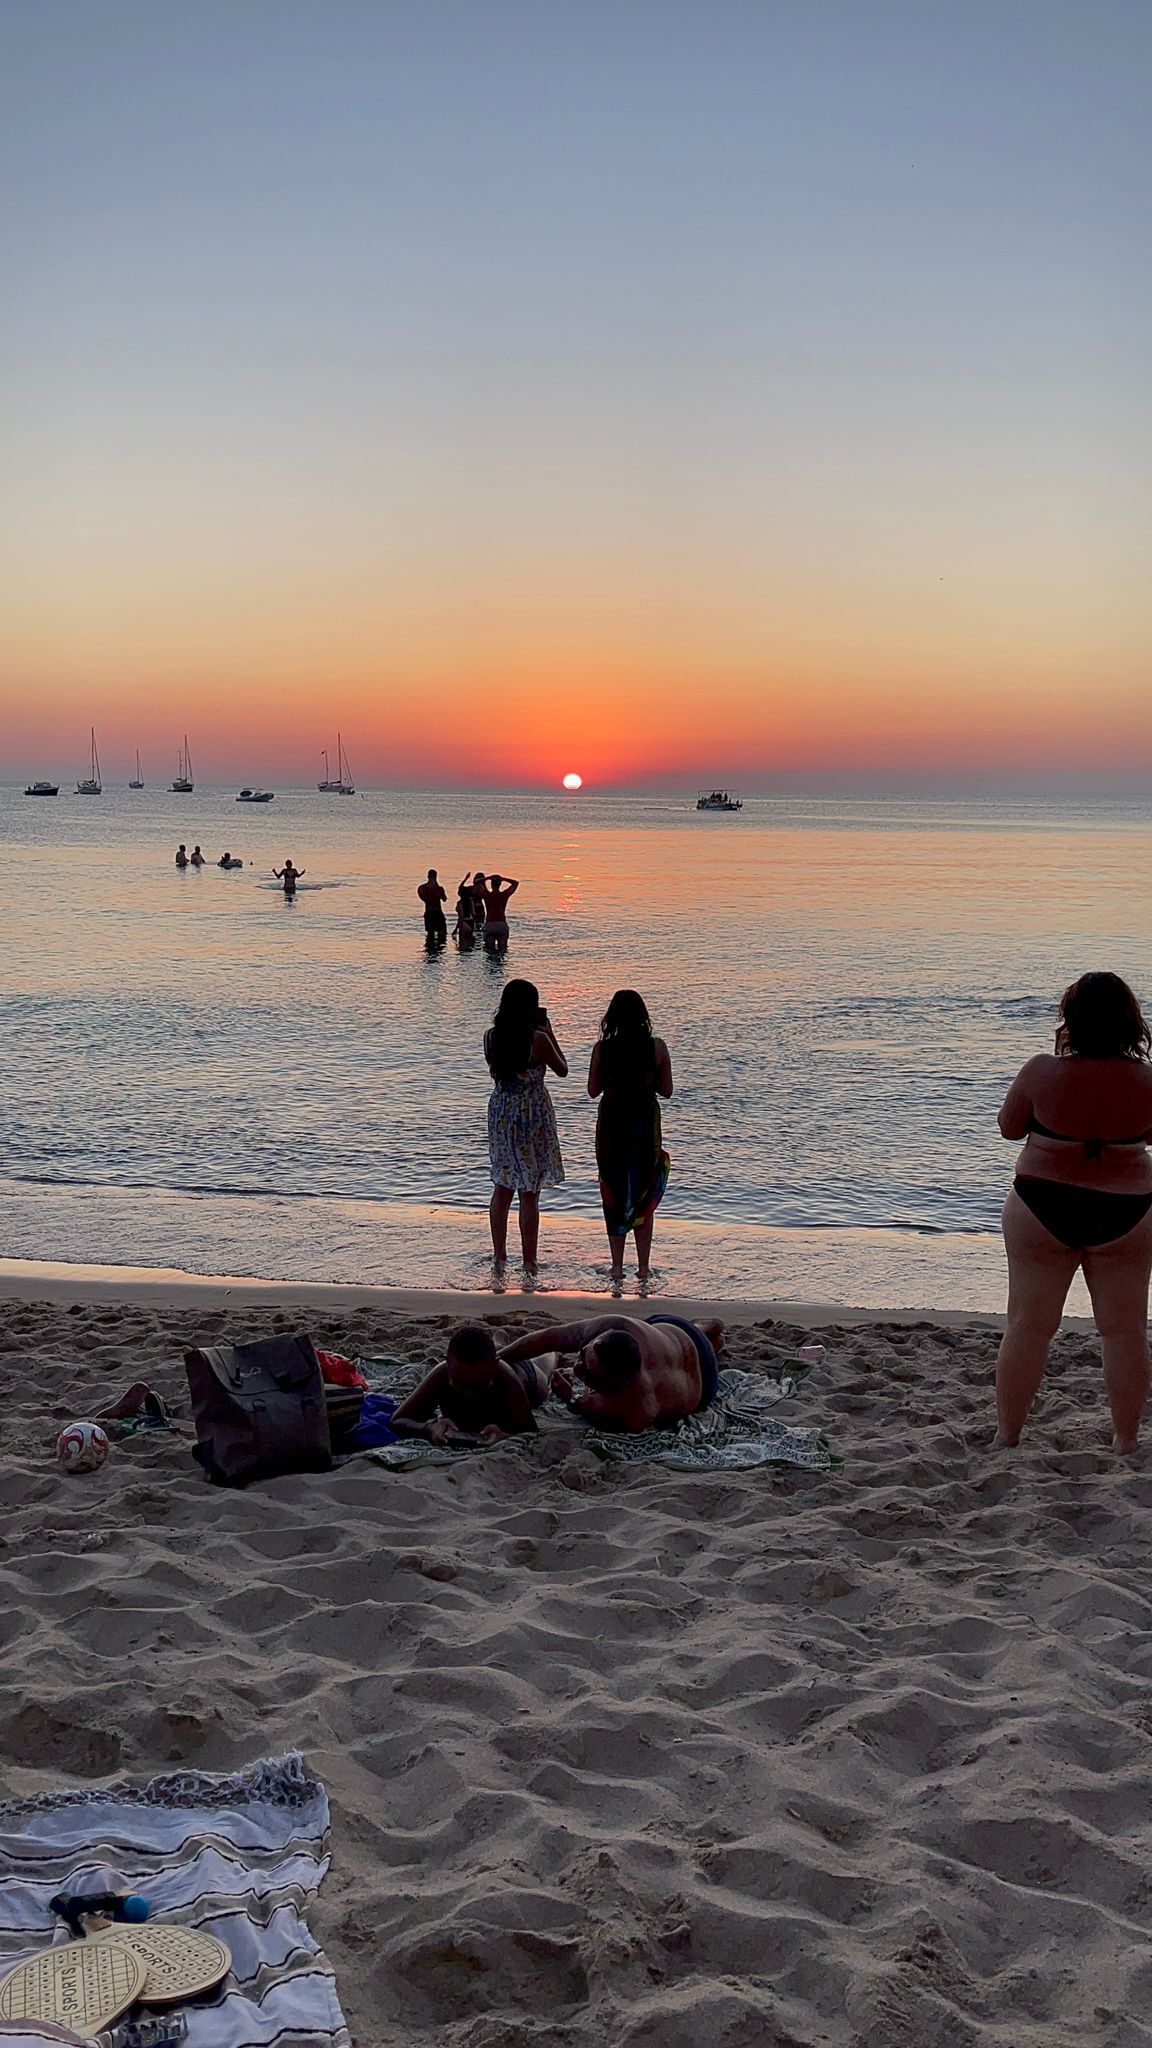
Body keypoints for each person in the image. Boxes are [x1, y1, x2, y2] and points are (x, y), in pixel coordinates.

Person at [995, 972, 1152, 1453]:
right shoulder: (1148, 1080)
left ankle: (1008, 1435)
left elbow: (1009, 1127)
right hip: (1127, 1211)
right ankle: (1125, 1440)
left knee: (1028, 1325)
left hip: (1042, 1206)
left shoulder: (1041, 1070)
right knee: (1124, 1330)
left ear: (1070, 1021)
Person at [498, 1312, 725, 1430]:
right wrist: (499, 1357)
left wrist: (569, 1395)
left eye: (588, 1374)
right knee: (707, 1338)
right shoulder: (619, 1325)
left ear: (617, 1386)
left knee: (708, 1343)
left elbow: (580, 1405)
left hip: (703, 1384)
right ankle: (709, 1334)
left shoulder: (637, 1406)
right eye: (583, 1354)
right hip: (675, 1334)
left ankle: (709, 1335)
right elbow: (551, 1336)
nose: (577, 1367)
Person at [589, 990, 673, 1291]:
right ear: (643, 1017)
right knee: (642, 1193)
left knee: (613, 1191)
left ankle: (616, 1267)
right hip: (643, 1124)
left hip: (612, 1124)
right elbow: (667, 1091)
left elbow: (592, 1090)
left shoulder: (603, 1049)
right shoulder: (657, 1048)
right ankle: (644, 1267)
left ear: (611, 1017)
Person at [485, 979, 567, 1273]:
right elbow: (563, 1069)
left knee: (503, 1185)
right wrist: (549, 1031)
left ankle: (499, 1256)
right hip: (531, 1114)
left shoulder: (491, 1037)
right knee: (529, 1191)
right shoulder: (538, 1040)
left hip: (501, 1112)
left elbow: (500, 1072)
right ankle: (529, 1261)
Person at [391, 1322, 559, 1445]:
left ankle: (549, 1354)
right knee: (493, 1350)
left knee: (546, 1363)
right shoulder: (440, 1373)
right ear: (448, 1365)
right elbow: (398, 1420)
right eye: (461, 1384)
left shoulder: (507, 1379)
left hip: (525, 1375)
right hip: (490, 1359)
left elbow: (531, 1432)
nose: (469, 1393)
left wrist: (505, 1435)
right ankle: (498, 1340)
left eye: (479, 1384)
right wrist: (429, 1429)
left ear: (493, 1368)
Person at [480, 872, 519, 951]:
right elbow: (515, 883)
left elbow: (477, 883)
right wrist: (503, 879)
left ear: (491, 884)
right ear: (500, 884)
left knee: (489, 951)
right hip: (501, 924)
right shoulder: (504, 895)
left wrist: (488, 878)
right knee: (503, 950)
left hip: (490, 924)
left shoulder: (487, 895)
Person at [417, 868, 448, 941]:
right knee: (441, 933)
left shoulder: (422, 888)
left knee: (430, 934)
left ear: (428, 876)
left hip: (429, 912)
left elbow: (424, 899)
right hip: (437, 912)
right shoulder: (439, 888)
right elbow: (444, 899)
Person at [453, 878, 476, 950]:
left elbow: (461, 917)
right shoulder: (471, 901)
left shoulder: (460, 903)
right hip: (471, 923)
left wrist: (456, 929)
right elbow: (474, 914)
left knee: (462, 945)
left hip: (464, 923)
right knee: (470, 945)